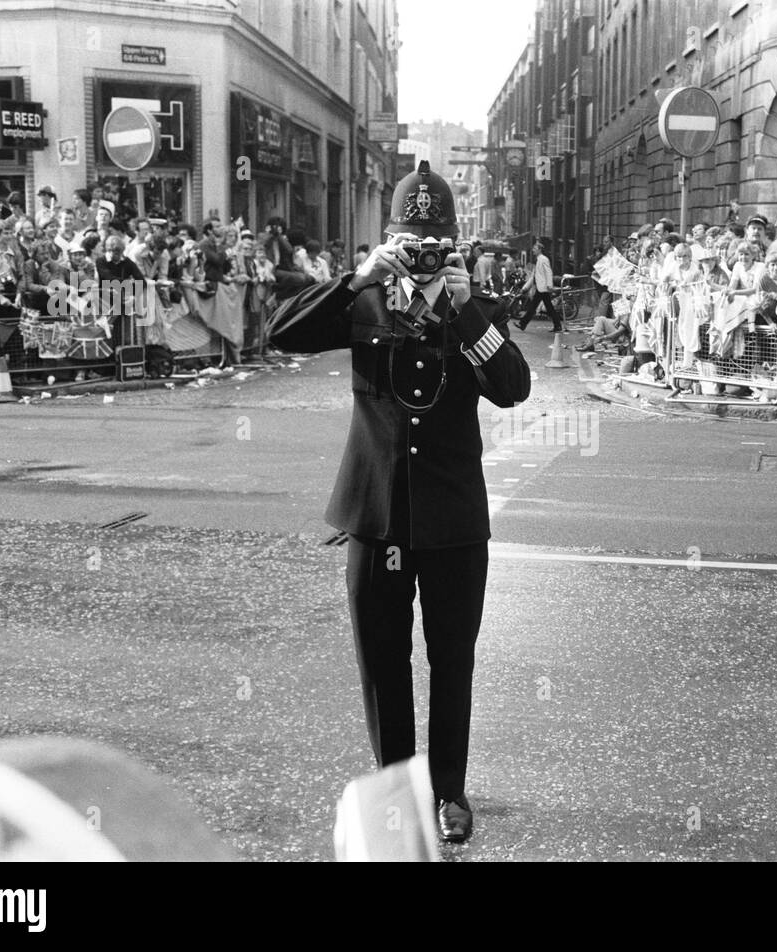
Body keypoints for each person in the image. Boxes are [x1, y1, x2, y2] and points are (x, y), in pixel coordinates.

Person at [266, 159, 531, 844]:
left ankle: (448, 792)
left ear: (456, 242)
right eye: (410, 245)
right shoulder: (363, 302)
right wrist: (360, 274)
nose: (422, 259)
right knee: (383, 664)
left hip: (452, 520)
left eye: (435, 245)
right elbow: (280, 332)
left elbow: (512, 387)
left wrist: (465, 305)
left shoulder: (477, 309)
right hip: (376, 513)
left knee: (452, 660)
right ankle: (395, 788)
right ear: (389, 240)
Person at [517, 241, 560, 332]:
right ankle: (523, 324)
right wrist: (525, 288)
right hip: (540, 288)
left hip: (543, 288)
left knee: (538, 307)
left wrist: (549, 285)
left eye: (535, 249)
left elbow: (548, 272)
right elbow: (534, 276)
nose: (533, 250)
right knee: (542, 307)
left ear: (540, 250)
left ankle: (522, 324)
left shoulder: (544, 259)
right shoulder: (538, 260)